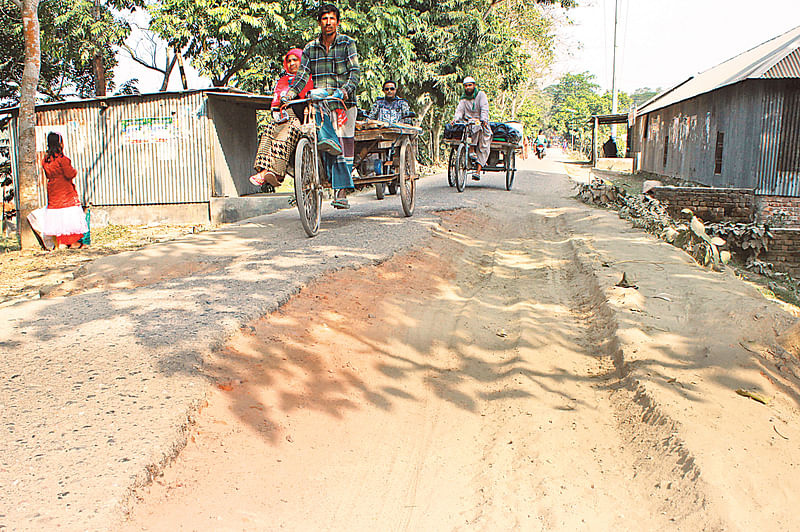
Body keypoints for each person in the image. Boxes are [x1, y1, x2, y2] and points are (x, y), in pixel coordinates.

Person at [282, 3, 360, 209]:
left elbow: (355, 74)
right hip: (320, 103)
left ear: (337, 22)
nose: (328, 22)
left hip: (343, 102)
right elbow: (301, 76)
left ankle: (341, 191)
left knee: (342, 143)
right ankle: (315, 177)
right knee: (321, 140)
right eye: (324, 19)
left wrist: (343, 91)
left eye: (332, 18)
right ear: (319, 23)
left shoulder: (347, 43)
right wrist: (289, 94)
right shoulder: (310, 48)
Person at [249, 48, 313, 189]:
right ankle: (263, 171)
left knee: (285, 133)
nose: (291, 63)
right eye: (289, 61)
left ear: (301, 61)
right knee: (269, 131)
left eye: (295, 60)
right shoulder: (283, 81)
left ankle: (275, 173)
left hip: (301, 118)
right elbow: (276, 101)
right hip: (283, 117)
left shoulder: (308, 79)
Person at [40, 132, 88, 249]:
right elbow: (69, 174)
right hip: (65, 190)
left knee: (57, 216)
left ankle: (60, 242)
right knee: (70, 215)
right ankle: (74, 243)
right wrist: (75, 171)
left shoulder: (46, 160)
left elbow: (47, 175)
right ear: (60, 143)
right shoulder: (62, 159)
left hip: (53, 190)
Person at [452, 76, 490, 180]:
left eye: (470, 85)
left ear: (474, 85)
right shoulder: (463, 99)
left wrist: (484, 120)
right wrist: (456, 119)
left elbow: (484, 109)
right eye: (466, 86)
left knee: (484, 145)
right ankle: (469, 150)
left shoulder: (481, 95)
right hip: (467, 123)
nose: (468, 87)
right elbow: (459, 111)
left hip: (481, 123)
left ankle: (478, 170)